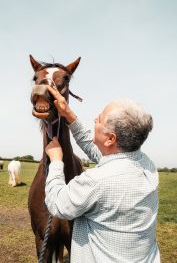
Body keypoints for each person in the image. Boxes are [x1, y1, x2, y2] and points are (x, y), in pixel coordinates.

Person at [45, 86, 160, 263]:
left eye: (98, 120)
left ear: (111, 139)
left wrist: (56, 161)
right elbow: (97, 150)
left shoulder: (96, 182)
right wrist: (69, 115)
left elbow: (57, 203)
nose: (94, 120)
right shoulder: (146, 164)